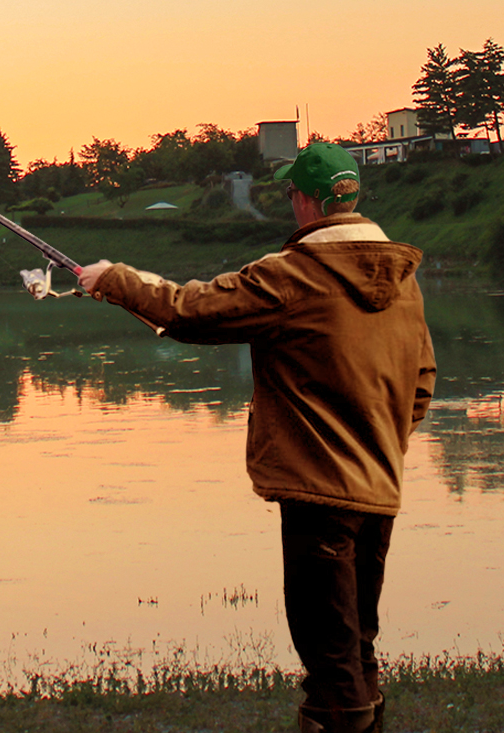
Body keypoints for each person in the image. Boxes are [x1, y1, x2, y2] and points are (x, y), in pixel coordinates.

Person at [77, 143, 436, 733]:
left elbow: (191, 312)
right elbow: (422, 379)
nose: (290, 202)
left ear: (311, 201)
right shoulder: (403, 282)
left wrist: (113, 279)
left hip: (318, 495)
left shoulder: (293, 275)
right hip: (379, 490)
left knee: (328, 654)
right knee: (356, 644)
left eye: (293, 193)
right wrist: (385, 442)